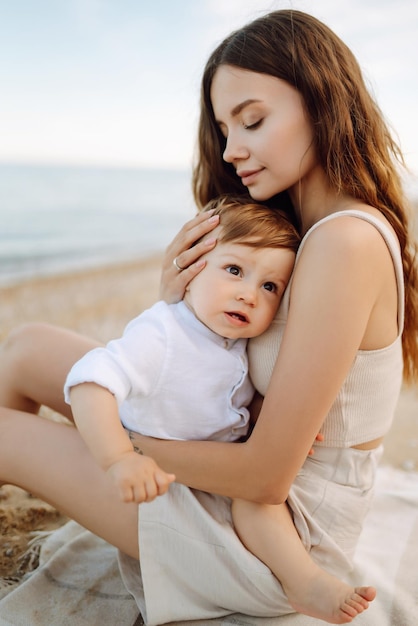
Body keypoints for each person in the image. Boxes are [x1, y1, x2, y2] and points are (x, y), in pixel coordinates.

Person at [0, 7, 417, 626]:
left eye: (253, 120)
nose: (232, 148)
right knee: (29, 346)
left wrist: (115, 440)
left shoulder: (345, 243)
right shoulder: (302, 232)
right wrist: (178, 304)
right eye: (226, 127)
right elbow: (219, 362)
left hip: (278, 536)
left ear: (322, 102)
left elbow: (267, 478)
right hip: (230, 458)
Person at [63, 195, 299, 505]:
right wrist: (119, 458)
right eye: (234, 270)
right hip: (152, 482)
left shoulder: (236, 342)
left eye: (269, 286)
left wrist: (283, 425)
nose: (249, 296)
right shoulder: (164, 333)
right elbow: (90, 382)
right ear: (190, 268)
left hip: (207, 475)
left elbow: (228, 401)